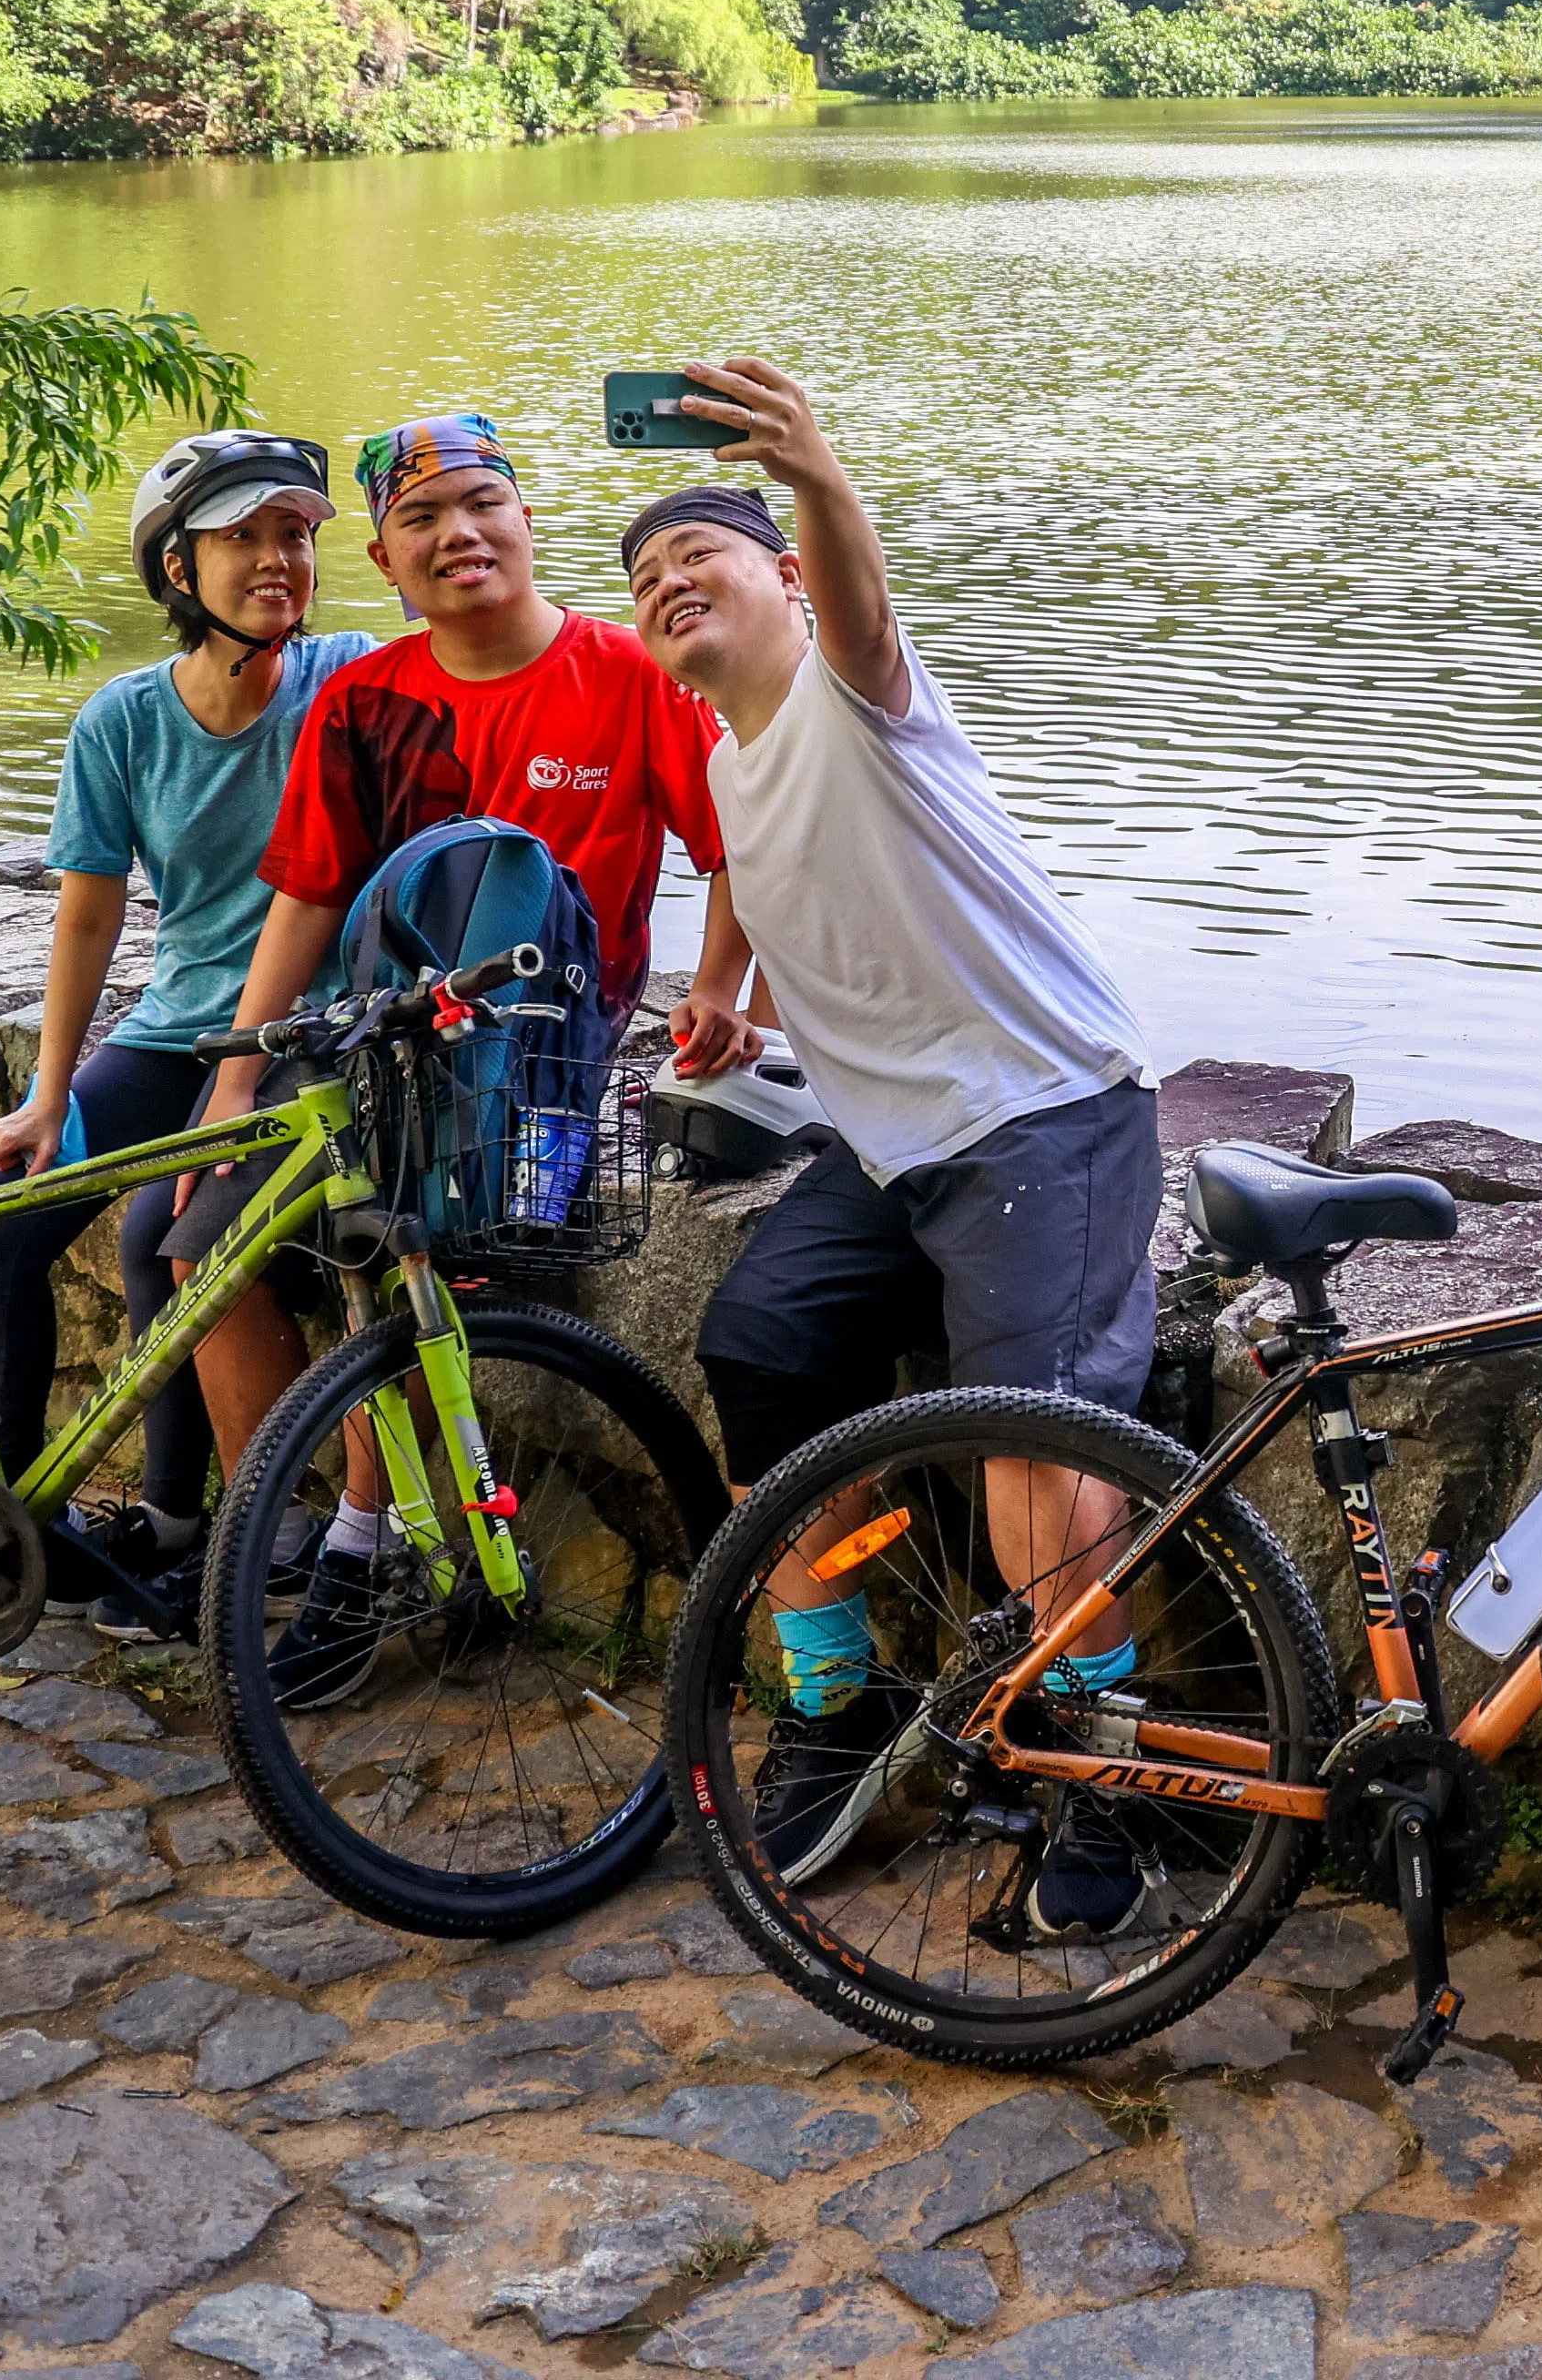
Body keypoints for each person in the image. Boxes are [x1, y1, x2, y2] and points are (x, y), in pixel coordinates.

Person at [618, 353, 1159, 1937]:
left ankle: (1105, 1777)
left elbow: (859, 607)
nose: (667, 586)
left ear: (783, 578)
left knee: (1030, 1453)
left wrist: (813, 469)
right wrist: (729, 999)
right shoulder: (731, 759)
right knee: (761, 1352)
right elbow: (772, 879)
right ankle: (840, 1701)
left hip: (1044, 1113)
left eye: (699, 557)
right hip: (889, 1149)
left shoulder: (857, 695)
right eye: (644, 581)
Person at [206, 408, 753, 1699]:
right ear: (386, 560)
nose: (459, 533)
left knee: (419, 1256)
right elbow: (309, 896)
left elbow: (739, 846)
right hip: (381, 1047)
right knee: (201, 1242)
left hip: (543, 1066)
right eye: (421, 518)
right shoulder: (365, 701)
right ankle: (265, 1541)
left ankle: (365, 1548)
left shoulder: (630, 673)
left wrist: (720, 990)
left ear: (524, 517)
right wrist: (232, 1081)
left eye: (481, 503)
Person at [0, 431, 366, 1635]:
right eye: (244, 538)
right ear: (178, 570)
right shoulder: (124, 721)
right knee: (3, 1222)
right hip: (173, 1030)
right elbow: (89, 917)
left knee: (160, 1235)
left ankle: (179, 1520)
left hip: (302, 1035)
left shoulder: (351, 678)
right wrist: (48, 1093)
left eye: (294, 535)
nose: (278, 559)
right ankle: (13, 1529)